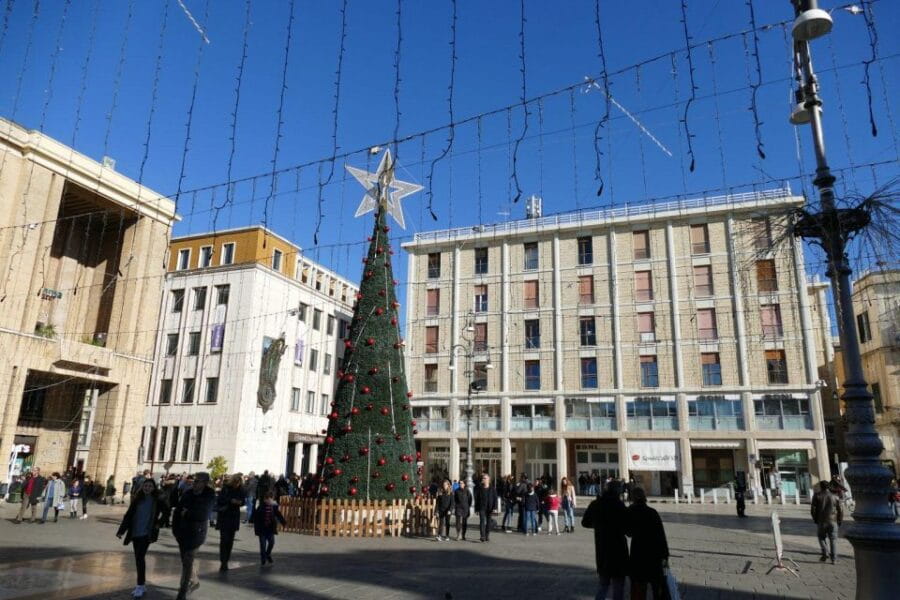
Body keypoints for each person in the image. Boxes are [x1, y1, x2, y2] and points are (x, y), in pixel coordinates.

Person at [117, 478, 165, 599]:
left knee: (140, 558)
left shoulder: (157, 500)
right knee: (138, 558)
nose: (147, 488)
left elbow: (167, 512)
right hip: (135, 532)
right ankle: (141, 585)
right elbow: (128, 515)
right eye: (145, 486)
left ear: (154, 488)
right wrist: (121, 530)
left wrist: (159, 523)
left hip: (147, 533)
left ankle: (140, 585)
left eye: (150, 486)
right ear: (142, 487)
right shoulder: (137, 499)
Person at [582, 481, 629, 600]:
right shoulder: (619, 505)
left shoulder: (596, 504)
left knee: (603, 584)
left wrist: (598, 526)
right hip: (618, 549)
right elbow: (628, 528)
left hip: (602, 548)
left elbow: (585, 522)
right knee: (618, 585)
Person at [172, 472, 216, 599]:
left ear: (205, 483)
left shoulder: (209, 495)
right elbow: (178, 511)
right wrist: (175, 530)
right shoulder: (188, 493)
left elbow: (203, 515)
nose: (194, 483)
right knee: (186, 561)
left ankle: (183, 590)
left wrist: (187, 513)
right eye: (194, 480)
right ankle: (195, 581)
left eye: (197, 481)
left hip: (197, 533)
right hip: (182, 532)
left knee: (188, 560)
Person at [625, 487, 669, 600]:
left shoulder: (631, 512)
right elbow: (661, 535)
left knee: (639, 587)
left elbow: (628, 532)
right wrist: (665, 557)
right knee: (657, 587)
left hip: (638, 554)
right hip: (654, 554)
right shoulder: (652, 512)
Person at [217, 473, 247, 571]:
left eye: (238, 483)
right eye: (235, 482)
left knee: (230, 540)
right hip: (224, 516)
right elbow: (220, 500)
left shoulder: (241, 489)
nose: (236, 485)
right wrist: (231, 500)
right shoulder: (226, 488)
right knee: (224, 539)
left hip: (234, 516)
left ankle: (226, 560)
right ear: (232, 481)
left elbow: (243, 501)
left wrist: (239, 502)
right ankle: (223, 561)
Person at [811, 480, 843, 564]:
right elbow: (840, 510)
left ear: (821, 486)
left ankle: (825, 553)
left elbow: (813, 509)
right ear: (829, 486)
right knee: (833, 540)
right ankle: (834, 559)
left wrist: (815, 519)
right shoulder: (835, 496)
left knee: (821, 537)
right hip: (833, 521)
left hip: (821, 521)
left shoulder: (817, 495)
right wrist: (840, 520)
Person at [252, 490, 286, 565]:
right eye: (267, 499)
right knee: (263, 545)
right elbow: (256, 517)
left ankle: (267, 554)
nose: (268, 500)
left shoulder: (274, 507)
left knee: (271, 543)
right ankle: (263, 558)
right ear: (264, 499)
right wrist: (256, 527)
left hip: (270, 529)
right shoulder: (260, 507)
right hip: (262, 529)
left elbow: (278, 514)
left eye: (270, 499)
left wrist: (283, 522)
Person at [474, 474, 498, 542]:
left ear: (488, 480)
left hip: (490, 508)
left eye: (485, 478)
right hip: (482, 507)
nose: (483, 479)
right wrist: (476, 509)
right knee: (482, 521)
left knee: (488, 522)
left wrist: (495, 508)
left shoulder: (492, 488)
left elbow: (495, 498)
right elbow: (477, 499)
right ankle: (482, 536)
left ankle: (487, 535)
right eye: (483, 478)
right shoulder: (479, 488)